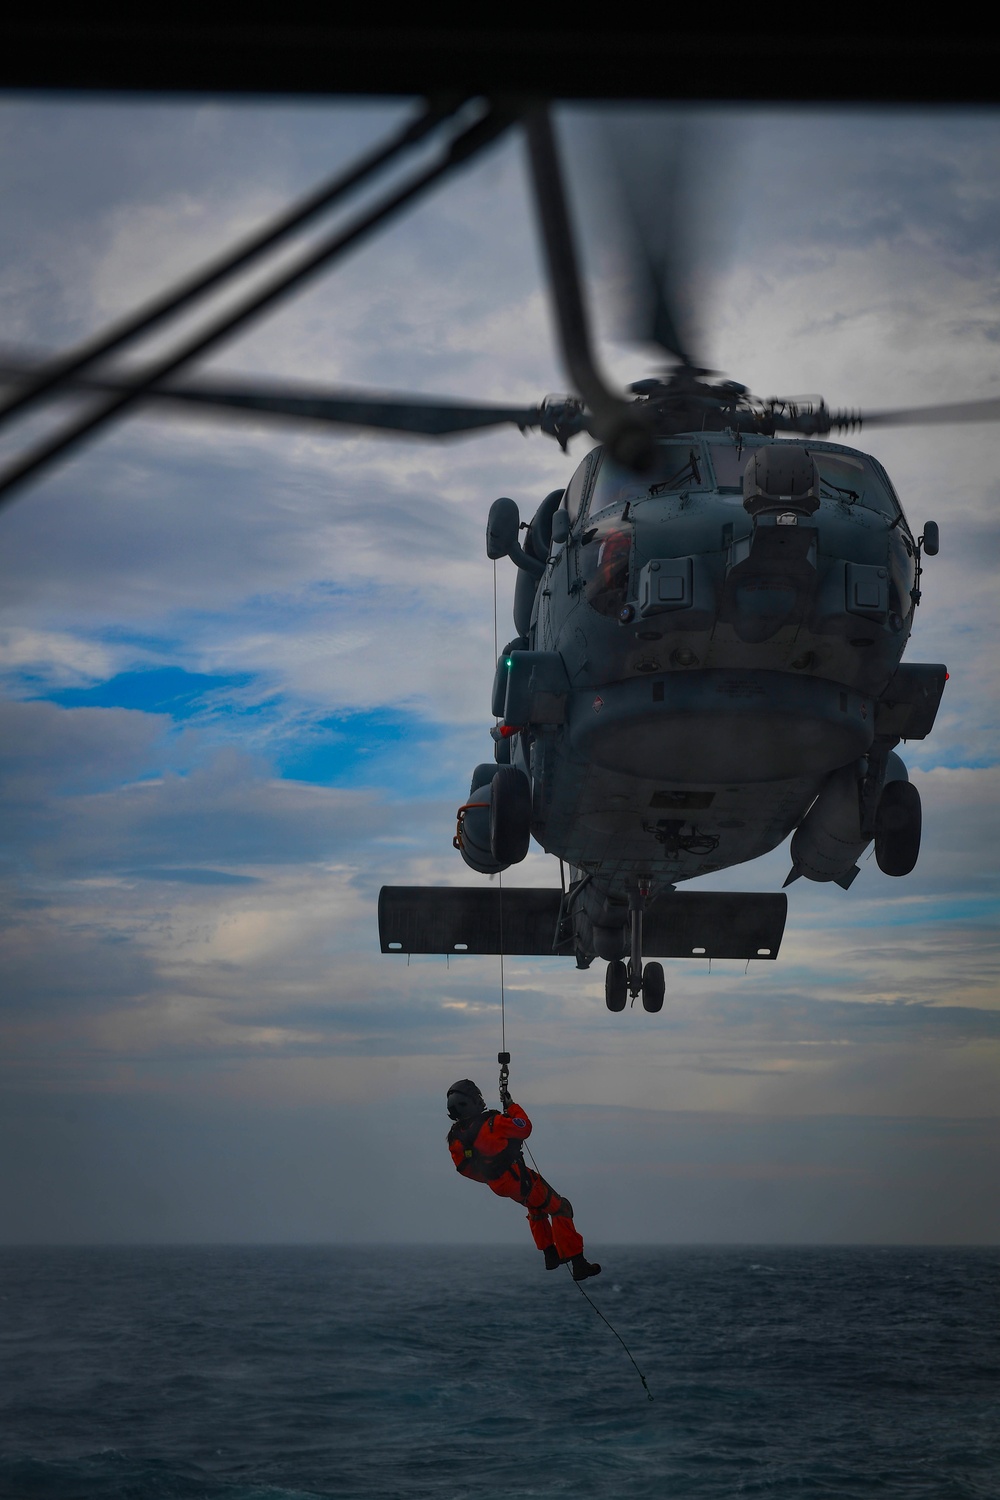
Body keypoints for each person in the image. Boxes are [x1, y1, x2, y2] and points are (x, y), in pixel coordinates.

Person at [445, 1078, 601, 1280]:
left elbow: (464, 1168)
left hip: (499, 1185)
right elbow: (525, 1128)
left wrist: (489, 1177)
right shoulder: (494, 1124)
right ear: (474, 1101)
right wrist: (512, 1106)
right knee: (561, 1208)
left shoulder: (456, 1138)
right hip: (518, 1179)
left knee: (535, 1206)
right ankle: (578, 1262)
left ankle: (550, 1255)